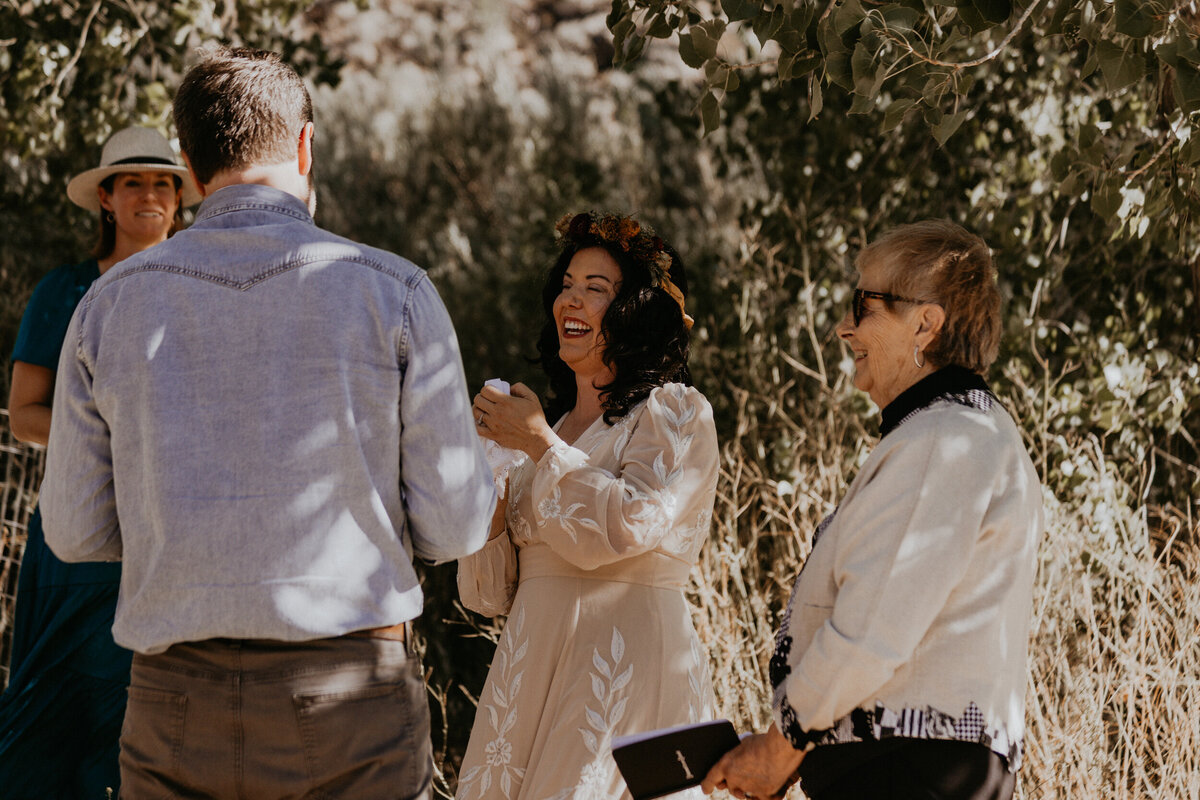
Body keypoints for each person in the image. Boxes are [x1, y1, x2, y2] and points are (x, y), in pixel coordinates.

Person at [38, 47, 495, 800]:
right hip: (353, 699)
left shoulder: (108, 306)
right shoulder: (397, 294)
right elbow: (454, 527)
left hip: (172, 702)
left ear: (188, 162)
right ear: (306, 144)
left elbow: (75, 531)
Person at [702, 220, 1043, 800]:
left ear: (926, 323)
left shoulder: (945, 440)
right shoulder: (961, 433)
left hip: (905, 775)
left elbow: (871, 629)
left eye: (863, 304)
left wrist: (779, 747)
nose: (844, 327)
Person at [456, 211, 720, 800]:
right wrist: (492, 483)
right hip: (528, 685)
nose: (570, 300)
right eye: (567, 286)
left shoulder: (674, 410)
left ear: (633, 313)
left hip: (621, 675)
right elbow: (487, 595)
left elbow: (630, 523)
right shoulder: (542, 433)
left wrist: (538, 446)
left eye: (595, 289)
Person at [0, 125, 199, 799]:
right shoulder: (64, 291)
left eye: (163, 182)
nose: (150, 194)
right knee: (42, 724)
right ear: (106, 200)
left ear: (181, 199)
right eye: (134, 182)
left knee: (136, 730)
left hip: (168, 541)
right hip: (71, 539)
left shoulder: (203, 288)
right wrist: (107, 435)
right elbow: (24, 411)